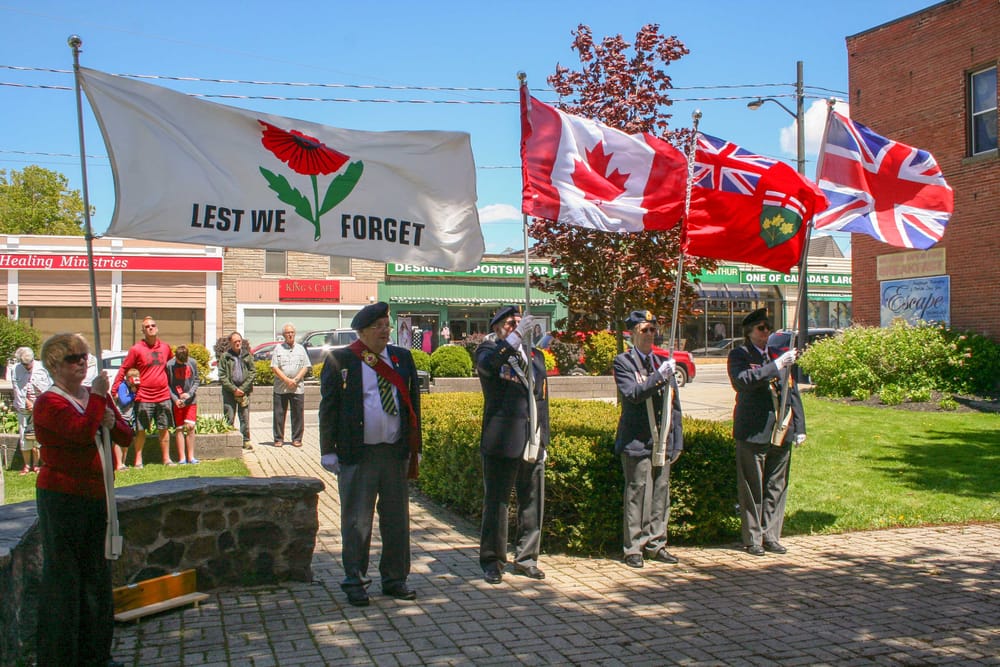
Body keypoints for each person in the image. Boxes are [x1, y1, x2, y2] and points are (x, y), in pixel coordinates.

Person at [33, 332, 133, 667]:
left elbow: (125, 435)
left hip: (97, 496)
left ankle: (96, 655)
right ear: (55, 365)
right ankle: (61, 657)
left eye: (84, 356)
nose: (82, 362)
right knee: (65, 580)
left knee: (96, 579)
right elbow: (77, 433)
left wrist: (107, 413)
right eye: (73, 358)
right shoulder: (50, 402)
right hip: (63, 497)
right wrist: (98, 404)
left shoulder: (94, 397)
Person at [319, 302, 422, 607]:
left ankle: (395, 579)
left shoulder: (402, 359)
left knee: (396, 521)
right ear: (362, 331)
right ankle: (355, 580)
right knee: (357, 523)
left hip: (393, 454)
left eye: (386, 325)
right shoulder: (341, 359)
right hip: (358, 455)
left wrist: (416, 447)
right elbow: (329, 407)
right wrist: (328, 450)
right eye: (377, 326)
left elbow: (413, 405)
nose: (384, 331)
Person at [476, 305, 549, 585]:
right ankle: (493, 561)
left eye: (520, 322)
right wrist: (515, 337)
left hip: (532, 439)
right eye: (510, 323)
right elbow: (489, 366)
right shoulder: (489, 351)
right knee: (497, 504)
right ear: (497, 328)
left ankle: (527, 558)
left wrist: (544, 439)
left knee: (532, 502)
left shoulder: (536, 356)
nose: (517, 326)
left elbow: (541, 401)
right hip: (502, 441)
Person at [727, 308, 806, 557]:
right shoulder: (739, 355)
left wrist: (800, 427)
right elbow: (744, 381)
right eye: (761, 328)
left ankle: (771, 535)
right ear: (749, 332)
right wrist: (775, 366)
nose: (766, 332)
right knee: (753, 487)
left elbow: (792, 392)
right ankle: (753, 538)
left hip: (780, 430)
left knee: (776, 485)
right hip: (753, 430)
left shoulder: (776, 355)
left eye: (768, 328)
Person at [613, 310, 684, 568]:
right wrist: (658, 377)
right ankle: (633, 547)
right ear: (632, 333)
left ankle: (656, 543)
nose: (650, 334)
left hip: (661, 441)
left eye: (653, 330)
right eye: (645, 330)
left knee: (660, 494)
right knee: (637, 493)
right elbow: (632, 393)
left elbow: (673, 405)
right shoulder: (624, 362)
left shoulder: (662, 362)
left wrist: (677, 439)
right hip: (636, 440)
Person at [112, 315, 174, 466]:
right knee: (140, 430)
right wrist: (115, 388)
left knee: (164, 428)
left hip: (163, 395)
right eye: (147, 327)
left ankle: (166, 459)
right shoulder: (136, 349)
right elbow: (125, 368)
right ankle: (138, 460)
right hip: (144, 396)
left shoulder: (165, 348)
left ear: (157, 328)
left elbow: (172, 366)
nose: (151, 328)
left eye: (153, 325)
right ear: (143, 331)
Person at [11, 346, 51, 474]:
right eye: (24, 364)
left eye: (29, 363)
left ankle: (37, 465)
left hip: (41, 407)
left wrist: (37, 404)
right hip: (24, 408)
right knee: (25, 437)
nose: (27, 366)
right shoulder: (15, 369)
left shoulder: (43, 368)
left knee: (38, 438)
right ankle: (27, 465)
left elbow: (48, 388)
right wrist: (27, 402)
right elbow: (16, 389)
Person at [271, 323, 310, 448]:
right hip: (281, 388)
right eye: (287, 333)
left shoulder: (301, 348)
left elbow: (306, 366)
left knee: (298, 414)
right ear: (283, 335)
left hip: (297, 387)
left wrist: (296, 379)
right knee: (279, 414)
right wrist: (287, 380)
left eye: (292, 332)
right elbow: (274, 367)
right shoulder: (278, 349)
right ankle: (278, 439)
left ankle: (297, 439)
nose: (290, 335)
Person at [218, 332, 256, 450]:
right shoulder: (225, 356)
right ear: (230, 343)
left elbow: (252, 372)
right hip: (230, 392)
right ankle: (229, 441)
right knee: (229, 416)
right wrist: (234, 389)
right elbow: (222, 375)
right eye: (235, 342)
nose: (238, 343)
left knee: (244, 417)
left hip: (244, 391)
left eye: (239, 341)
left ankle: (246, 440)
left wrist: (242, 389)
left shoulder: (247, 355)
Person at [166, 345, 200, 464]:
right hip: (177, 402)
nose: (182, 363)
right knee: (179, 428)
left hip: (191, 401)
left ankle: (191, 457)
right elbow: (168, 385)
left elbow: (196, 380)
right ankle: (182, 458)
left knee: (190, 427)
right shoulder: (170, 365)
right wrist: (175, 399)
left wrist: (189, 394)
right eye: (180, 362)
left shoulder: (192, 363)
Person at [114, 368, 141, 469]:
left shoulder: (136, 387)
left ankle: (123, 463)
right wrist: (133, 393)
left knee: (126, 440)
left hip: (130, 417)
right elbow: (124, 401)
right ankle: (118, 463)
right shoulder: (123, 386)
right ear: (129, 378)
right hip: (122, 416)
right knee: (119, 440)